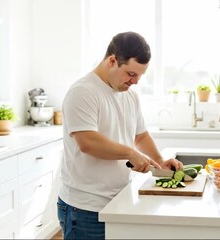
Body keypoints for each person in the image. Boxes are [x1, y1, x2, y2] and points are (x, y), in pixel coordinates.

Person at [57, 31, 183, 240]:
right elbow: (87, 142)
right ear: (112, 60)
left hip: (119, 200)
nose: (135, 81)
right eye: (131, 74)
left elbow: (140, 136)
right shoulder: (83, 92)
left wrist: (160, 163)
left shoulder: (130, 95)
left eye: (140, 76)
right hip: (85, 209)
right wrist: (129, 153)